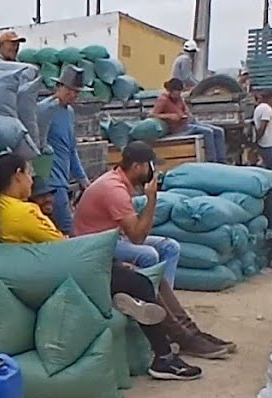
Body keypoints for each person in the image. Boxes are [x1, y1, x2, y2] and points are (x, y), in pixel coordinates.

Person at [0, 153, 203, 380]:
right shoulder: (22, 212)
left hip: (46, 266)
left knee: (132, 275)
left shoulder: (0, 208)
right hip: (62, 271)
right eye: (30, 173)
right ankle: (165, 356)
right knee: (141, 281)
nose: (32, 180)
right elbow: (63, 245)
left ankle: (166, 325)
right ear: (18, 175)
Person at [73, 142, 233, 359]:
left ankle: (181, 324)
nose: (153, 172)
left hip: (111, 239)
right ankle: (171, 326)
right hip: (95, 247)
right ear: (138, 166)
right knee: (148, 255)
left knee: (169, 247)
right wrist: (152, 200)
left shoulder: (119, 182)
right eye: (150, 166)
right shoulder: (114, 189)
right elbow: (137, 237)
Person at [36, 65, 91, 234]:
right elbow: (36, 146)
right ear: (59, 87)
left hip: (63, 181)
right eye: (70, 90)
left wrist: (82, 179)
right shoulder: (44, 110)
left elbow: (71, 148)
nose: (73, 95)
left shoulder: (69, 113)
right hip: (49, 185)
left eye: (76, 92)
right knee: (69, 230)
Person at [151, 78, 229, 164]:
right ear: (170, 91)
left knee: (218, 131)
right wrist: (169, 116)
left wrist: (187, 114)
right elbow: (152, 114)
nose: (177, 96)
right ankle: (212, 161)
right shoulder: (163, 100)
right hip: (179, 128)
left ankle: (222, 160)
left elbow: (185, 109)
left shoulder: (179, 98)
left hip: (187, 123)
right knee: (208, 132)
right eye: (175, 94)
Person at [252, 89, 272, 170]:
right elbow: (262, 127)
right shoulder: (266, 108)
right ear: (271, 98)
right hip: (268, 145)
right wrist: (256, 141)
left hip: (266, 144)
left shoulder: (259, 108)